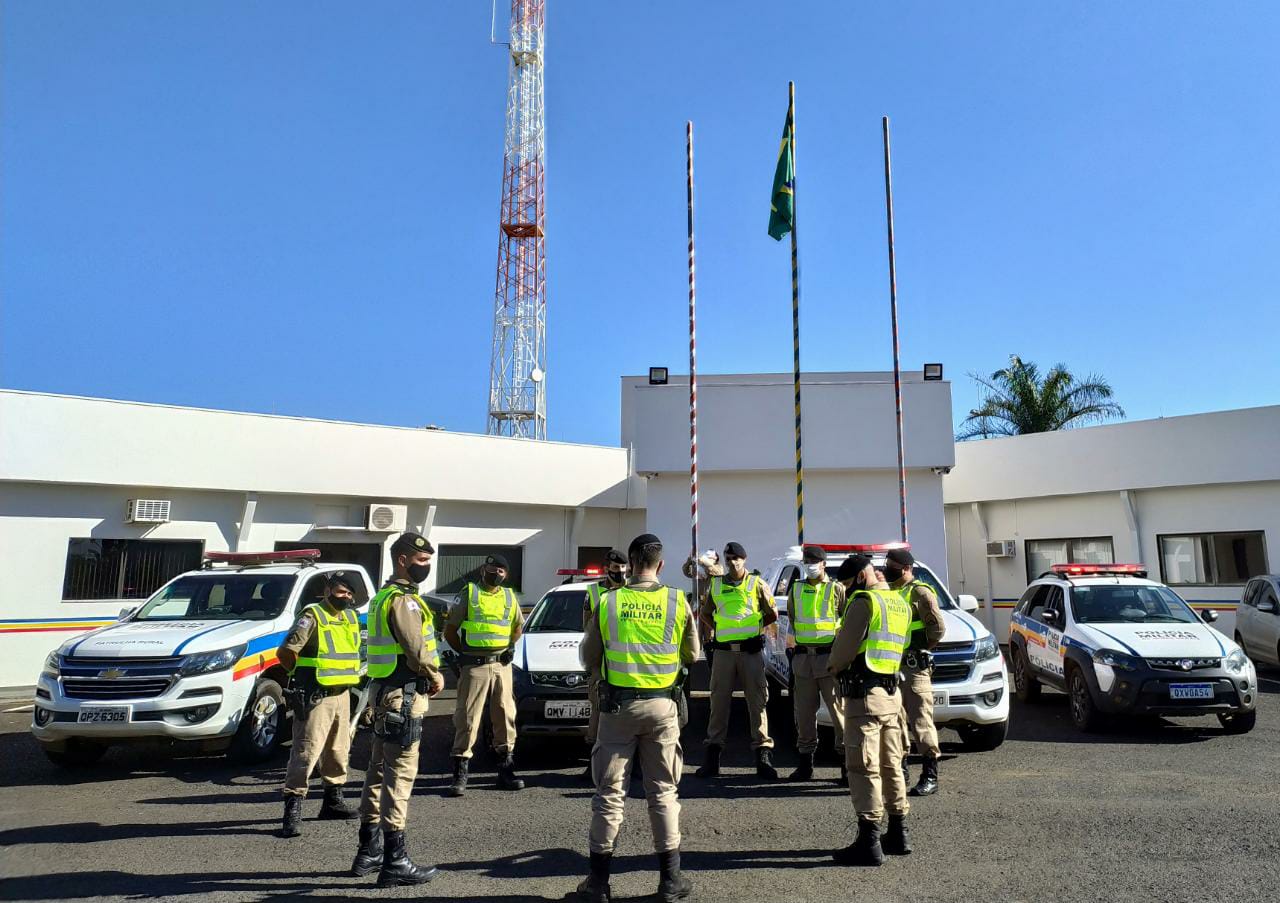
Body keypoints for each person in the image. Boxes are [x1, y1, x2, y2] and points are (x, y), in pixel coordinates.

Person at [576, 533, 700, 903]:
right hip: (663, 708)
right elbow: (692, 654)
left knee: (610, 795)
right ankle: (670, 880)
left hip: (617, 710)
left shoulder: (610, 602)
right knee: (663, 792)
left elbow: (588, 656)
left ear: (630, 565)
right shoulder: (679, 601)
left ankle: (598, 883)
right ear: (660, 565)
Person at [352, 532, 445, 887]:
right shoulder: (402, 600)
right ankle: (395, 860)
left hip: (383, 691)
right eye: (421, 561)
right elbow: (415, 647)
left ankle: (369, 851)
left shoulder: (380, 597)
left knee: (376, 772)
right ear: (403, 560)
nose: (427, 566)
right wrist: (434, 674)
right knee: (399, 777)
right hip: (404, 694)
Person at [827, 553, 913, 866]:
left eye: (848, 583)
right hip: (892, 695)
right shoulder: (898, 602)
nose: (847, 590)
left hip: (864, 697)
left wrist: (833, 667)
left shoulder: (864, 602)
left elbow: (845, 650)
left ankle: (869, 842)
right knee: (892, 764)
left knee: (863, 767)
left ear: (861, 577)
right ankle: (899, 833)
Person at [276, 570, 364, 837]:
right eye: (340, 591)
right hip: (316, 695)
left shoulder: (350, 617)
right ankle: (293, 808)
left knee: (338, 750)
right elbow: (287, 652)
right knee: (306, 752)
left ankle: (332, 801)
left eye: (349, 593)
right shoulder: (312, 615)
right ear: (327, 591)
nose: (345, 597)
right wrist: (300, 679)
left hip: (342, 694)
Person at [687, 541, 778, 779]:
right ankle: (712, 757)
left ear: (745, 559)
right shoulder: (716, 585)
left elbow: (771, 613)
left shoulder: (757, 584)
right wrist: (722, 629)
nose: (733, 563)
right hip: (724, 653)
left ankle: (763, 756)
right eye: (729, 559)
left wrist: (753, 630)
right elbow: (706, 613)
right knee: (718, 703)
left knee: (757, 702)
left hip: (750, 652)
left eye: (737, 558)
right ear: (725, 562)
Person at [444, 553, 525, 796]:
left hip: (501, 666)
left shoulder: (510, 597)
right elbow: (450, 631)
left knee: (505, 715)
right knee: (467, 718)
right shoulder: (469, 593)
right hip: (474, 665)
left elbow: (517, 627)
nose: (496, 573)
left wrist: (509, 647)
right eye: (492, 569)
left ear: (506, 574)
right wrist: (465, 654)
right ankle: (460, 774)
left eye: (501, 570)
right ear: (483, 570)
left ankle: (505, 770)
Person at [884, 547, 946, 796]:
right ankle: (901, 771)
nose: (888, 570)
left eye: (893, 566)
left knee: (921, 722)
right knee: (895, 722)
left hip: (914, 669)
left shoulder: (919, 592)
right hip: (891, 667)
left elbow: (938, 629)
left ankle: (930, 774)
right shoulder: (889, 592)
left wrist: (920, 649)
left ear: (907, 568)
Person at [786, 545, 848, 783]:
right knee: (803, 715)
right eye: (806, 562)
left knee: (838, 713)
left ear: (823, 564)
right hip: (803, 660)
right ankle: (805, 764)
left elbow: (844, 619)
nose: (809, 566)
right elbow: (793, 618)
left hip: (829, 658)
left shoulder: (836, 589)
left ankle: (845, 764)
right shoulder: (797, 589)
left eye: (813, 562)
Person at [580, 549, 629, 781]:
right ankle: (593, 765)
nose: (619, 572)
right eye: (615, 568)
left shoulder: (633, 590)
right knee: (598, 711)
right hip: (601, 662)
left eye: (622, 568)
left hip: (628, 661)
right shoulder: (593, 591)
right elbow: (587, 629)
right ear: (606, 568)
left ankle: (632, 766)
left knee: (629, 711)